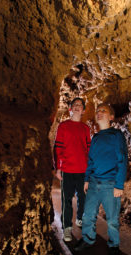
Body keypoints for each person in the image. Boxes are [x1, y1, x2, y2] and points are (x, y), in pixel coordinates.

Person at [74, 103, 128, 255]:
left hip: (110, 184)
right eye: (97, 111)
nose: (99, 113)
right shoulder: (96, 137)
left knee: (112, 219)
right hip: (93, 182)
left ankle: (114, 245)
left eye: (103, 111)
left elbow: (122, 160)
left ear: (111, 117)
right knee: (88, 214)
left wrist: (119, 185)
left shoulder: (116, 135)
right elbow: (90, 161)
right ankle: (87, 238)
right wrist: (86, 179)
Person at [53, 97, 91, 242]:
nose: (77, 107)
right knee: (66, 200)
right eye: (74, 105)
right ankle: (67, 228)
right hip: (68, 169)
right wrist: (58, 168)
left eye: (80, 105)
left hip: (82, 169)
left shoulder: (85, 128)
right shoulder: (63, 126)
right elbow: (58, 148)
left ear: (83, 110)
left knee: (83, 197)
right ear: (70, 108)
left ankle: (80, 218)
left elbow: (88, 149)